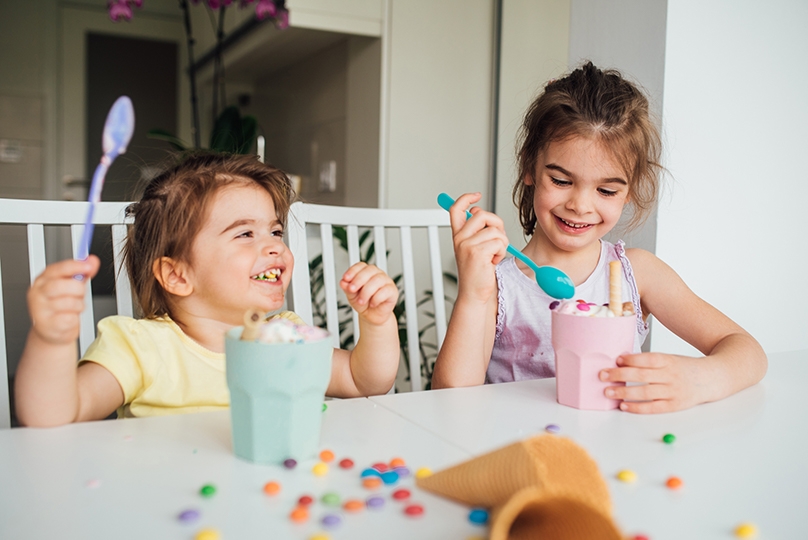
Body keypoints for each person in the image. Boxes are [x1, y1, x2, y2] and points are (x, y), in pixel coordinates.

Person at [431, 62, 767, 413]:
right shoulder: (497, 285)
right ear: (529, 167)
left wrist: (699, 380)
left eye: (606, 190)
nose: (579, 205)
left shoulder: (637, 272)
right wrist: (474, 292)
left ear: (630, 192)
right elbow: (449, 401)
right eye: (561, 181)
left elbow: (747, 350)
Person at [15, 153, 400, 426]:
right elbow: (55, 415)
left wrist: (378, 322)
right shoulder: (140, 348)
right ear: (178, 276)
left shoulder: (283, 337)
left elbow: (362, 380)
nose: (275, 246)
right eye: (245, 233)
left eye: (276, 231)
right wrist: (51, 340)